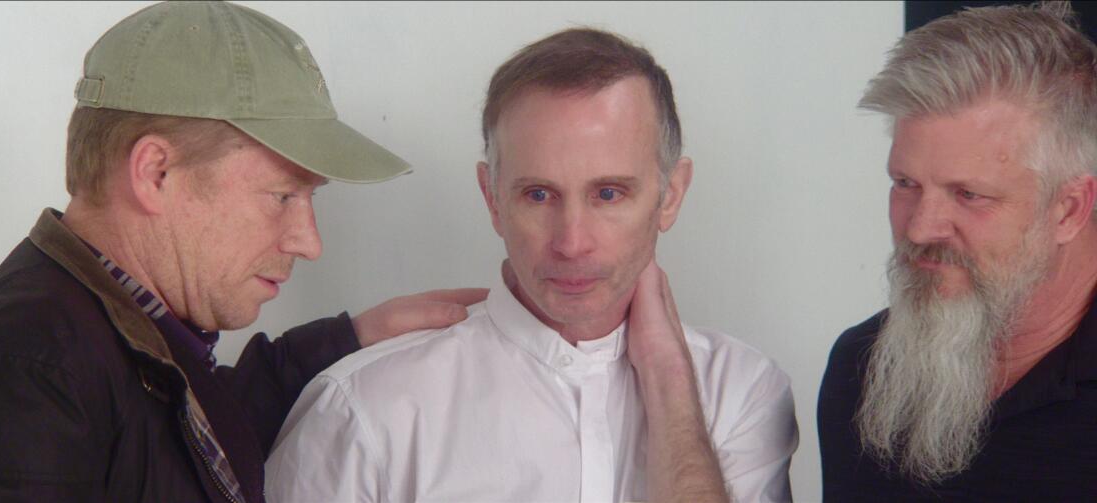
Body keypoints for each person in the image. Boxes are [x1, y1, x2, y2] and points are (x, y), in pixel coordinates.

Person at [0, 2, 484, 502]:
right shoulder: (24, 373)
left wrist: (350, 338)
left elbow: (174, 441)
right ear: (156, 172)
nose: (310, 241)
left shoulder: (105, 333)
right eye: (282, 195)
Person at [266, 28, 798, 503]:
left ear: (671, 195)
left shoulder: (741, 392)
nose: (572, 243)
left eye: (608, 193)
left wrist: (668, 380)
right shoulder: (363, 410)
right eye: (539, 194)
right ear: (492, 198)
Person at [818, 2, 1097, 501]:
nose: (922, 229)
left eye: (970, 195)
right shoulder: (861, 369)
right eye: (905, 183)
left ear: (1070, 208)